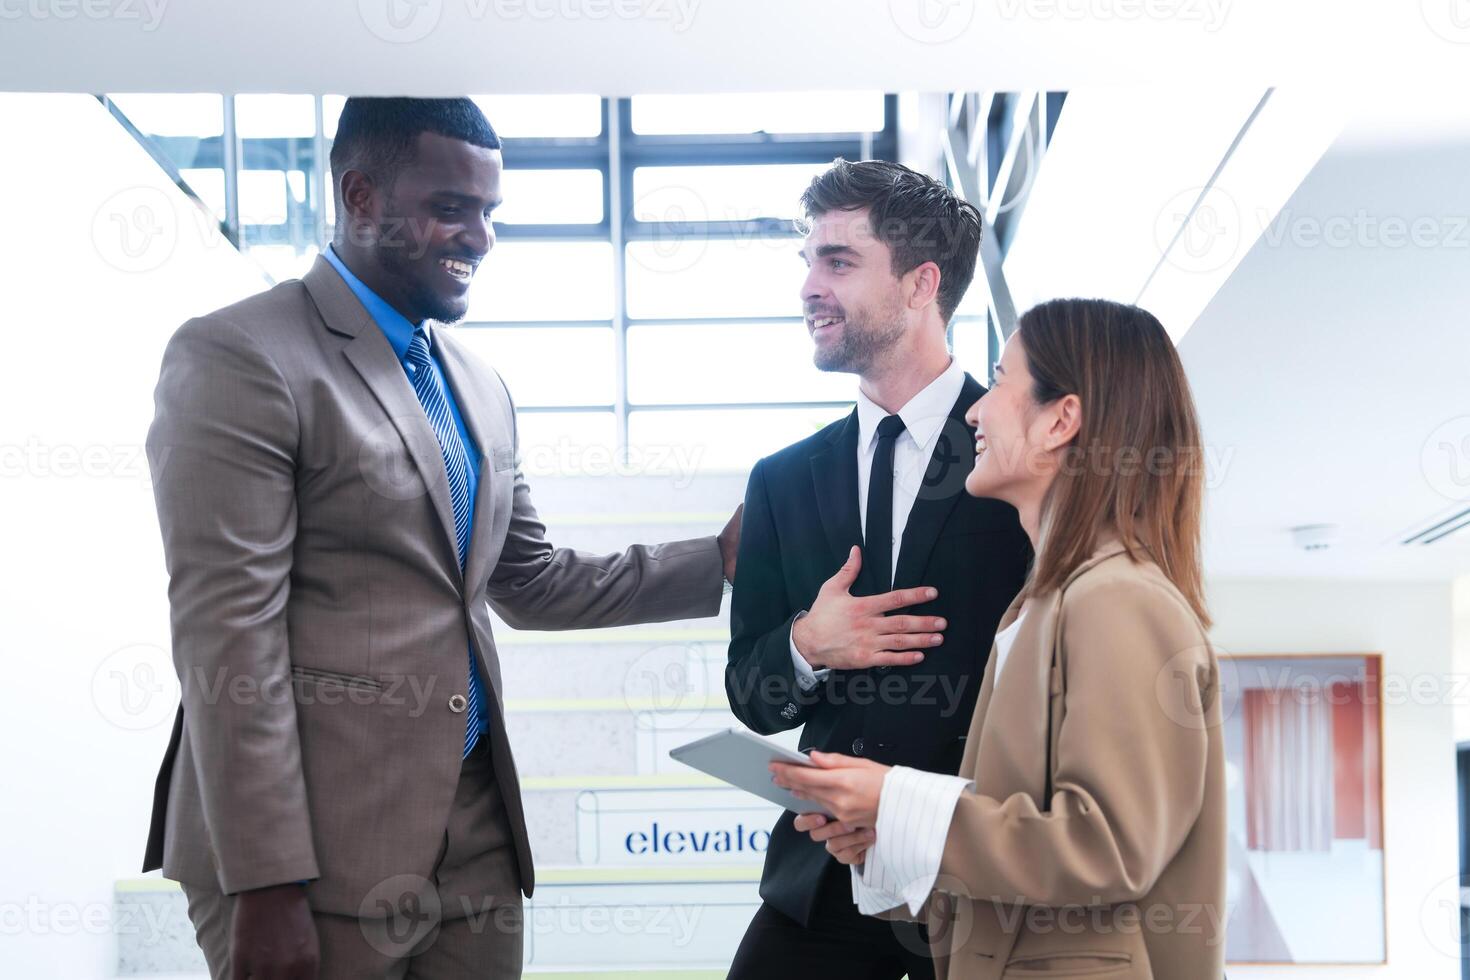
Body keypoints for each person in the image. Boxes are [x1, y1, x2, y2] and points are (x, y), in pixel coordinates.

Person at [142, 96, 741, 979]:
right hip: (314, 850)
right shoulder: (241, 355)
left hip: (475, 837)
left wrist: (719, 563)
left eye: (490, 213)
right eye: (451, 208)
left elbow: (530, 582)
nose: (480, 238)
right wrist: (263, 886)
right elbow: (229, 638)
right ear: (360, 196)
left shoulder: (476, 381)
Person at [773, 297, 1227, 979]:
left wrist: (897, 801)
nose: (976, 410)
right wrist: (887, 832)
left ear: (1061, 420)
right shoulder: (1041, 606)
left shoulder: (1118, 599)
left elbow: (1107, 848)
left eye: (1001, 378)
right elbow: (1032, 855)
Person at [725, 159, 1030, 978]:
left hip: (973, 887)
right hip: (819, 883)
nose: (809, 287)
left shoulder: (1020, 460)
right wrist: (805, 645)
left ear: (920, 283)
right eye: (808, 262)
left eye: (839, 262)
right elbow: (750, 695)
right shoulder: (782, 481)